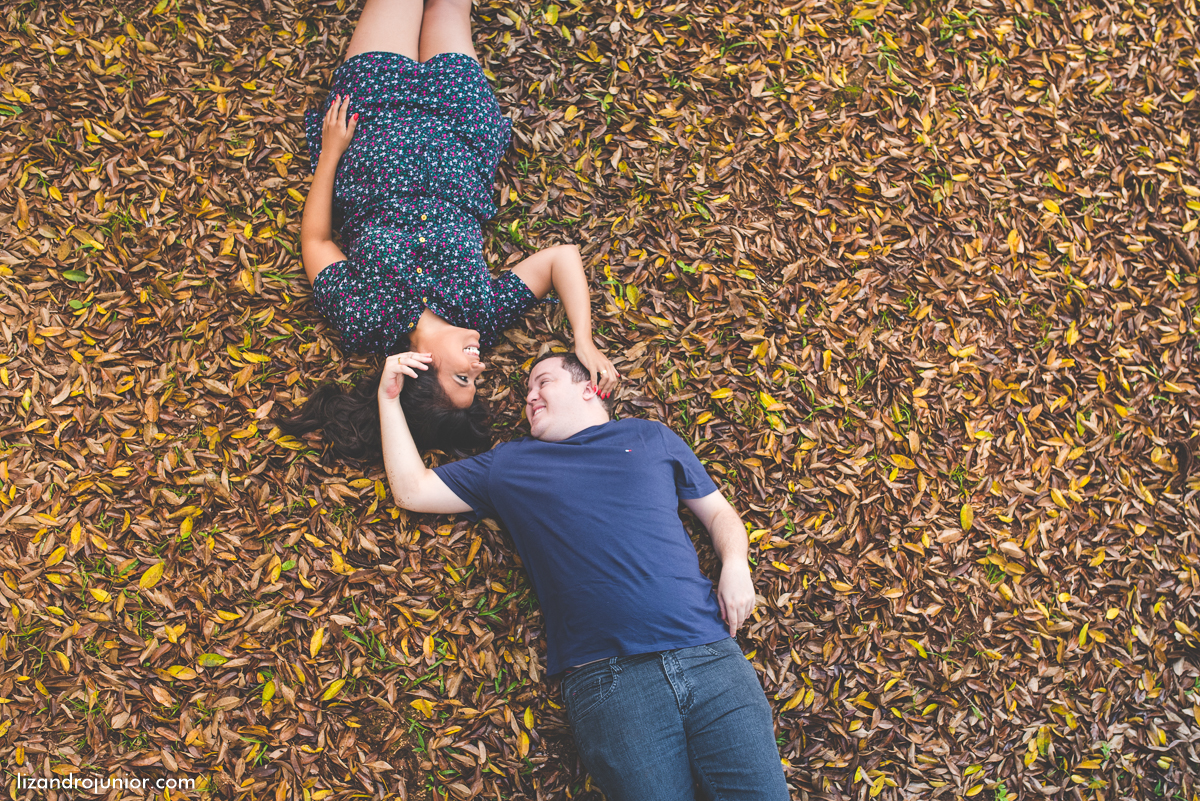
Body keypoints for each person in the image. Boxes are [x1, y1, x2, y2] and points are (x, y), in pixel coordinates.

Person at [379, 350, 791, 801]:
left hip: (711, 657)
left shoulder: (651, 437)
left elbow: (718, 515)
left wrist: (735, 564)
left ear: (588, 388)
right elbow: (411, 490)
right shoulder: (510, 464)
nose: (530, 397)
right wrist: (388, 399)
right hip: (612, 680)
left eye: (543, 382)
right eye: (526, 391)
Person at [284, 0, 617, 459]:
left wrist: (330, 152)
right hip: (459, 121)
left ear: (418, 370)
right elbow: (562, 258)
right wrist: (583, 338)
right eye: (475, 380)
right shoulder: (480, 316)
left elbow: (316, 241)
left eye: (463, 377)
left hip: (372, 118)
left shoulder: (363, 318)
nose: (479, 366)